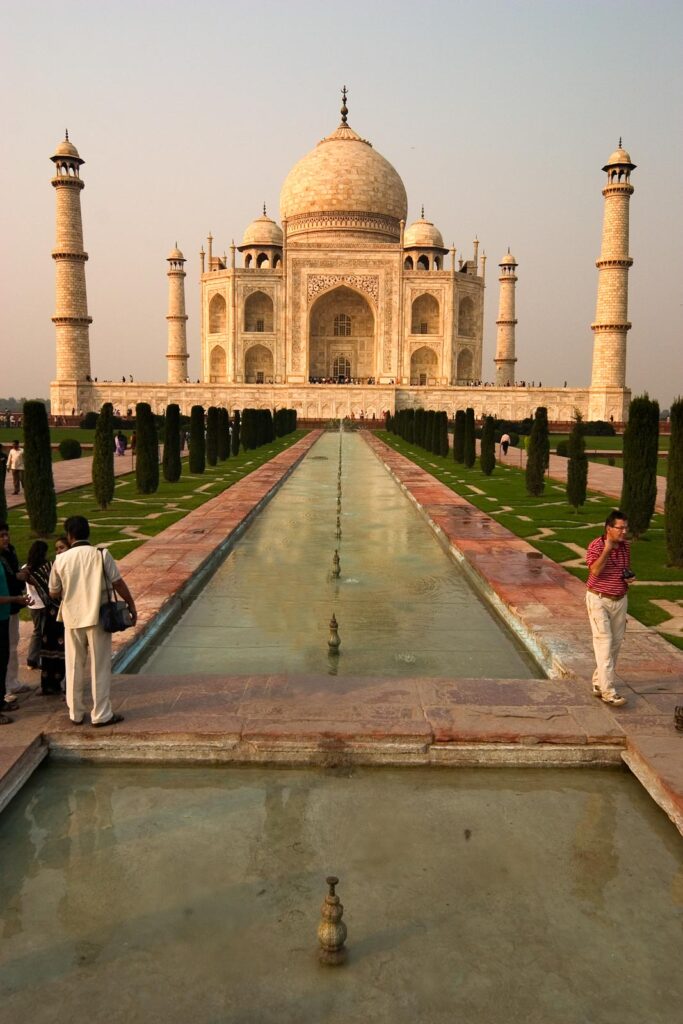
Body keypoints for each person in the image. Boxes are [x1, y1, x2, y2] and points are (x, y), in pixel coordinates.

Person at [49, 516, 137, 726]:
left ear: (70, 536)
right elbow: (118, 583)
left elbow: (53, 592)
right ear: (88, 532)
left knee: (74, 666)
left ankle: (76, 713)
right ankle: (101, 714)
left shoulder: (61, 559)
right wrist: (131, 604)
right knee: (99, 666)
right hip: (98, 616)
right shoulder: (101, 554)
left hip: (72, 618)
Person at [585, 510, 633, 707]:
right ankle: (608, 691)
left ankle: (598, 682)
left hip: (619, 600)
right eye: (620, 528)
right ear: (609, 528)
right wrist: (607, 549)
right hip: (599, 600)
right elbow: (595, 570)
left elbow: (621, 569)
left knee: (615, 645)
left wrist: (627, 578)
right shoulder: (596, 546)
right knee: (604, 643)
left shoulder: (625, 547)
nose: (624, 532)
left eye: (625, 528)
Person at [0, 525, 32, 723]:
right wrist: (15, 599)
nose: (6, 538)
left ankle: (5, 693)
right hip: (5, 610)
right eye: (1, 535)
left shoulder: (7, 555)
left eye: (6, 534)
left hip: (5, 614)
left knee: (6, 652)